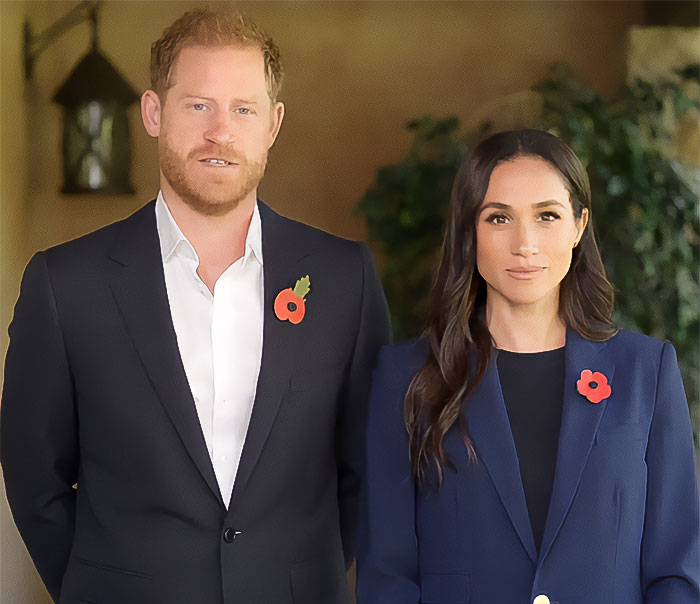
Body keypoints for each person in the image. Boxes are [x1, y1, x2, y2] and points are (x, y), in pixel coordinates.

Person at [1, 9, 390, 604]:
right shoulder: (65, 285)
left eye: (243, 109)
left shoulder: (344, 280)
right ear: (154, 113)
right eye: (198, 105)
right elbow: (34, 480)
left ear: (273, 124)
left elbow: (366, 469)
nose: (221, 131)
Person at [356, 129, 699, 604]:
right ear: (468, 231)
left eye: (547, 216)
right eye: (499, 218)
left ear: (579, 226)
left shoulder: (647, 372)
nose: (525, 244)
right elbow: (386, 579)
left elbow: (678, 569)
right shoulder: (406, 379)